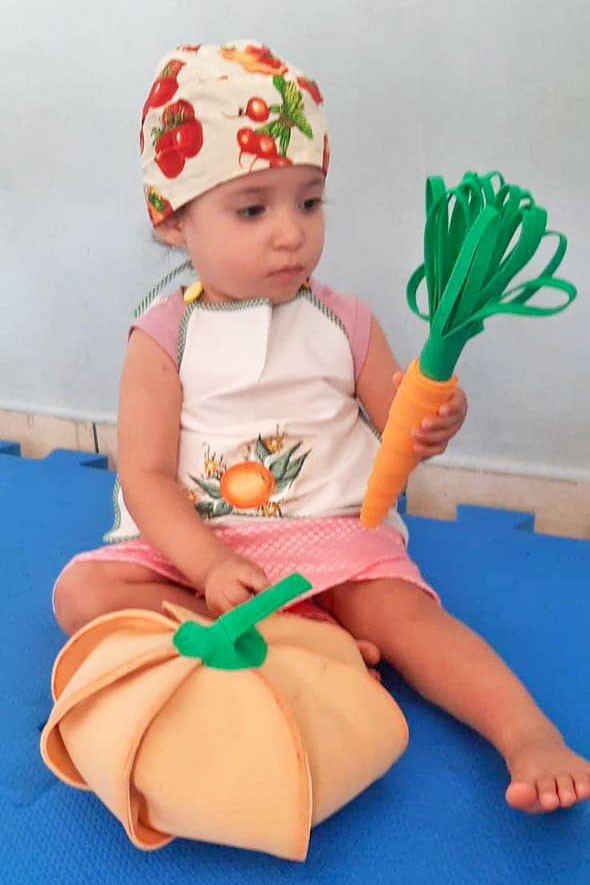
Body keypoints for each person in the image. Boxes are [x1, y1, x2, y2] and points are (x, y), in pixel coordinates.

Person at [53, 40, 589, 815]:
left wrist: (437, 417)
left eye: (308, 202)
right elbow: (145, 476)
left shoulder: (346, 321)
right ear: (172, 222)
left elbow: (400, 422)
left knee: (410, 619)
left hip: (332, 540)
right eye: (252, 209)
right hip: (201, 547)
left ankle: (524, 729)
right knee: (81, 591)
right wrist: (210, 564)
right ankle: (304, 644)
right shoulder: (162, 336)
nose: (291, 233)